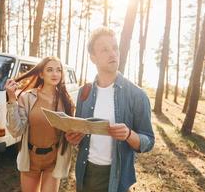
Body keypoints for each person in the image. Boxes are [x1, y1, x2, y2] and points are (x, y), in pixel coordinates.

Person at [66, 27, 155, 192]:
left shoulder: (137, 95)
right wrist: (74, 138)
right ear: (93, 58)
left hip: (117, 178)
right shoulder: (83, 92)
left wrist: (128, 134)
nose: (113, 53)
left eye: (114, 47)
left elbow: (148, 141)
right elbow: (79, 134)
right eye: (105, 49)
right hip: (85, 172)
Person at [5, 56, 75, 192]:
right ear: (41, 74)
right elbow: (16, 130)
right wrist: (12, 99)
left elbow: (70, 133)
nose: (55, 74)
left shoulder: (66, 101)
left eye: (58, 70)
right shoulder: (28, 97)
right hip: (30, 160)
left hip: (53, 161)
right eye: (50, 70)